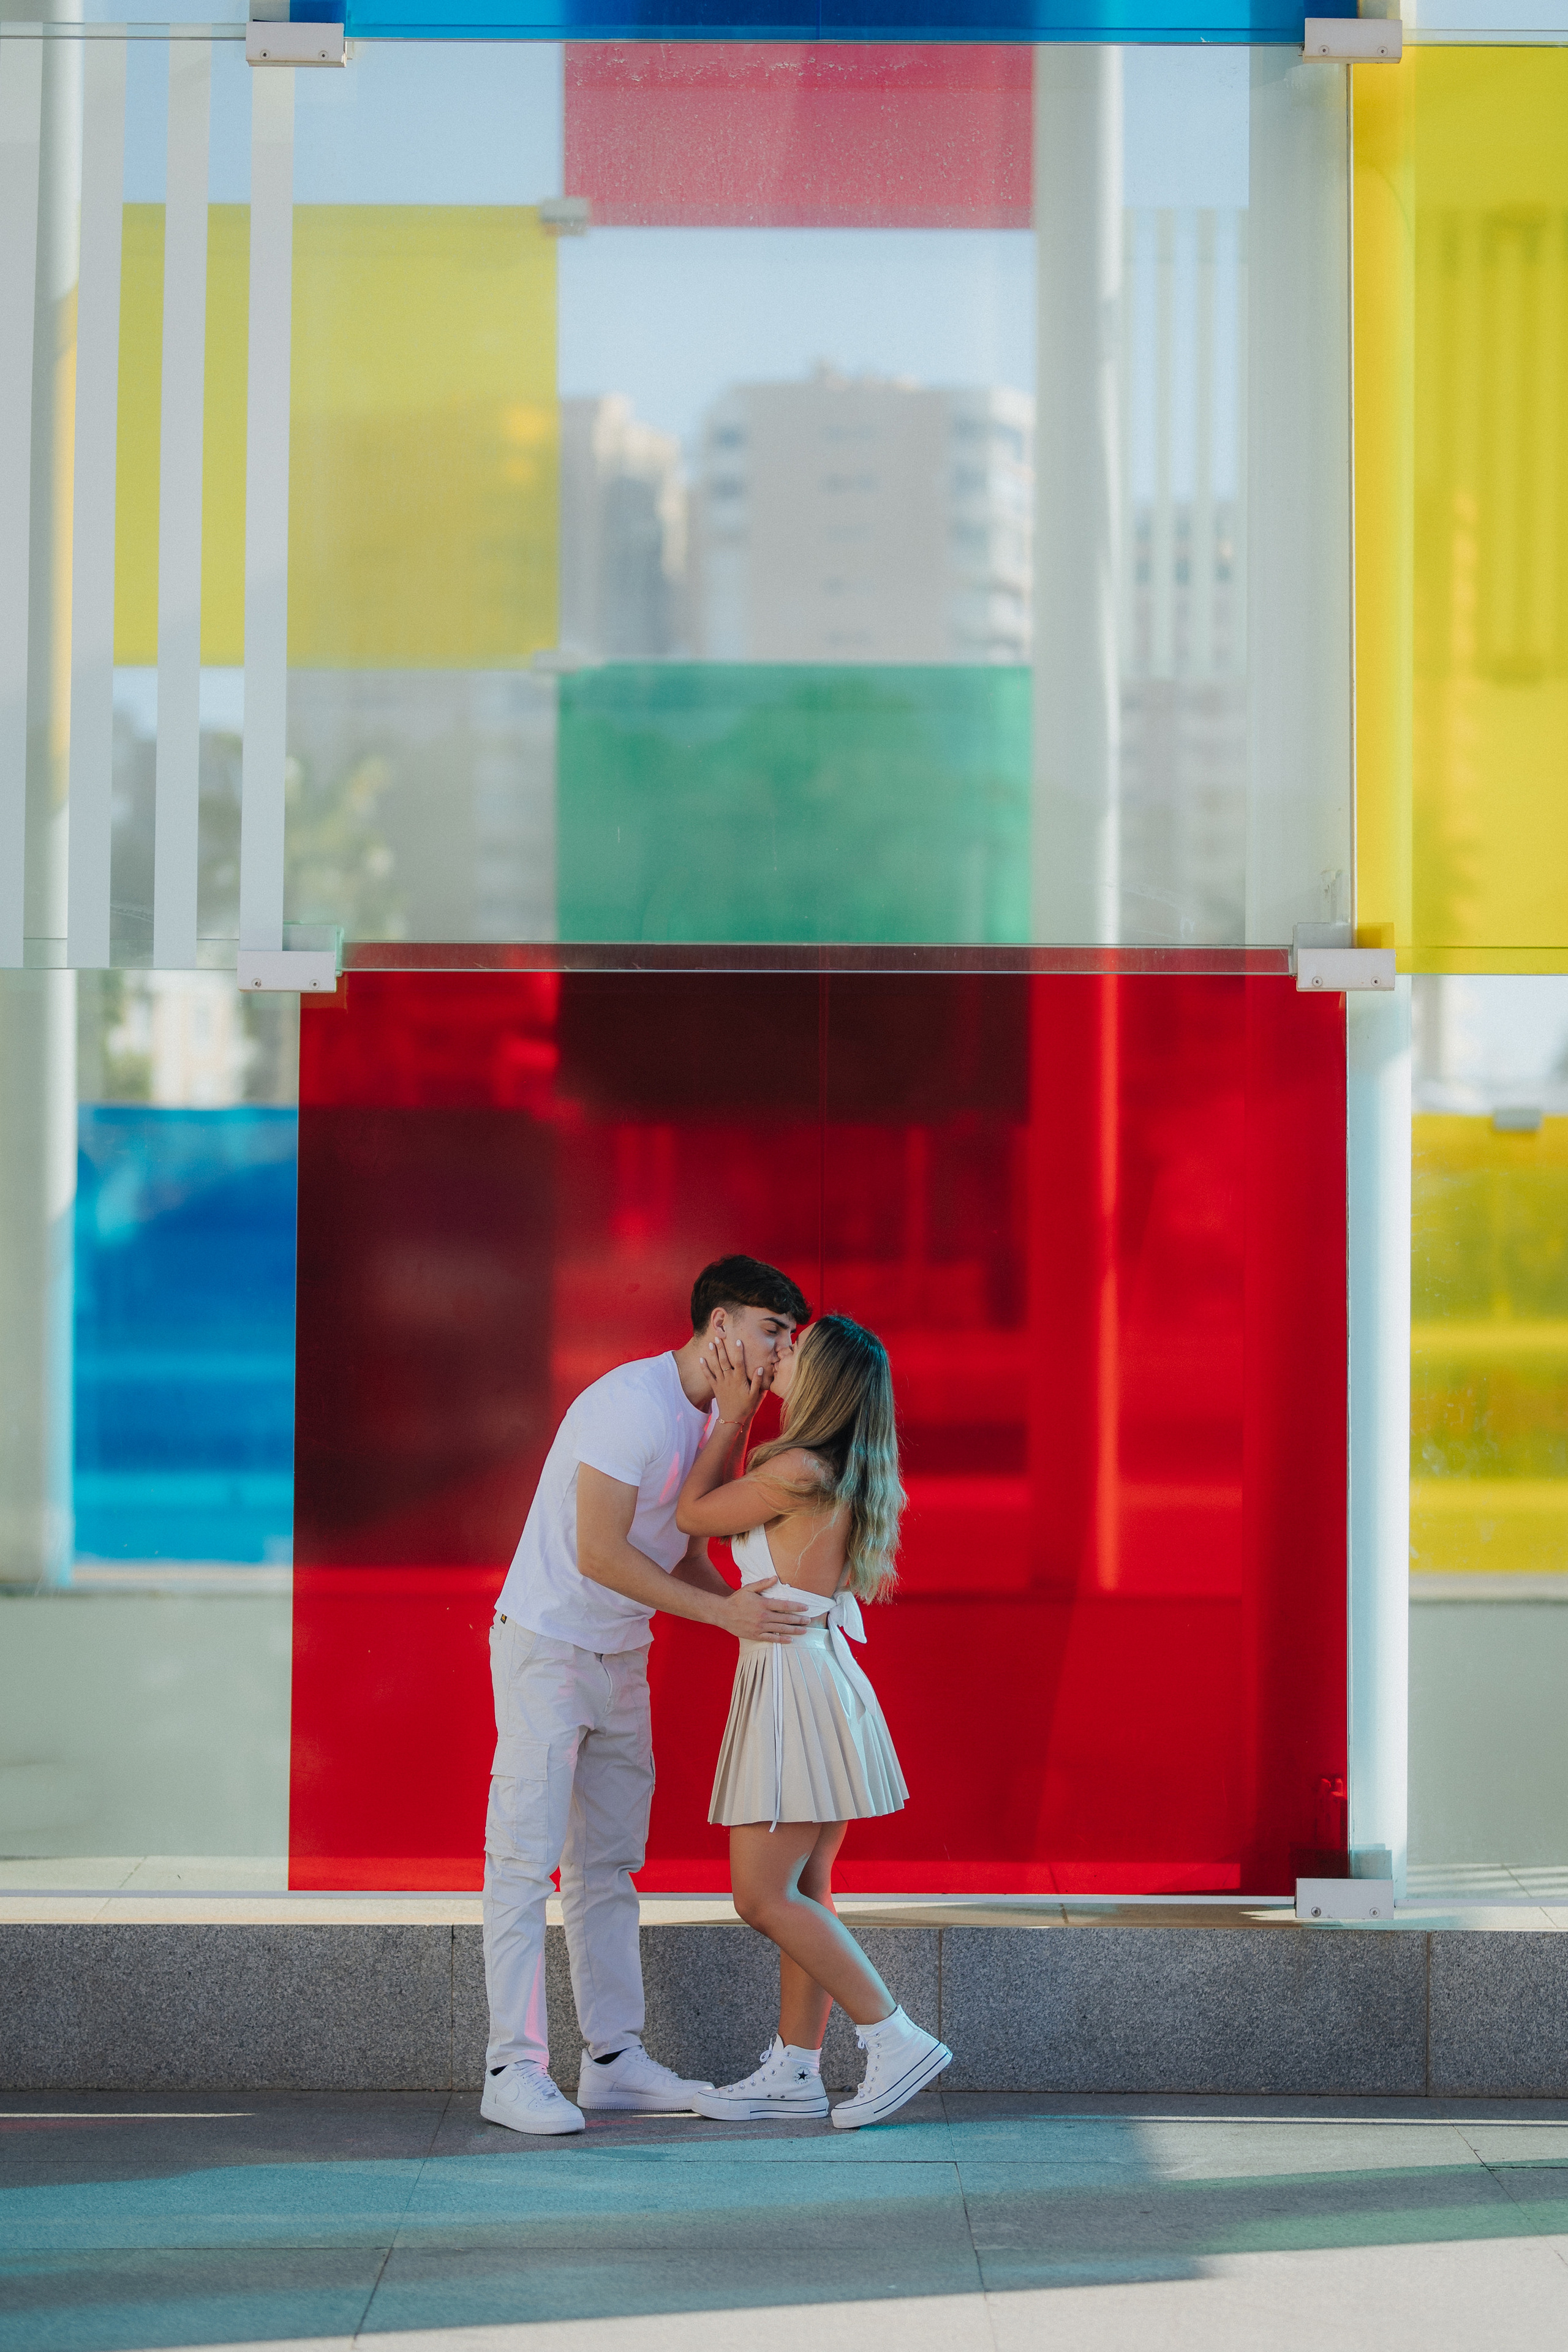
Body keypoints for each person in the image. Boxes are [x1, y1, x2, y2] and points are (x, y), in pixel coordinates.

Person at [480, 1254, 813, 2137]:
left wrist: (748, 1605)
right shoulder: (628, 1404)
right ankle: (510, 2069)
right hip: (548, 1648)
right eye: (772, 1331)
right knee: (523, 1861)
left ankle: (614, 2061)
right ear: (720, 1327)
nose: (783, 1354)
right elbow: (601, 1551)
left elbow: (678, 1542)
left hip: (622, 1657)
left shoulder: (714, 1417)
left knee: (607, 1866)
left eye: (789, 1338)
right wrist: (722, 1613)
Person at [674, 1313, 952, 2130]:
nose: (779, 1354)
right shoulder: (829, 1467)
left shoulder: (797, 1467)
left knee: (762, 1898)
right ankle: (795, 2071)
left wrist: (732, 1412)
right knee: (804, 1889)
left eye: (795, 1349)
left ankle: (894, 2036)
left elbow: (692, 1514)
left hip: (796, 1686)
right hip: (812, 1675)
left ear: (823, 1377)